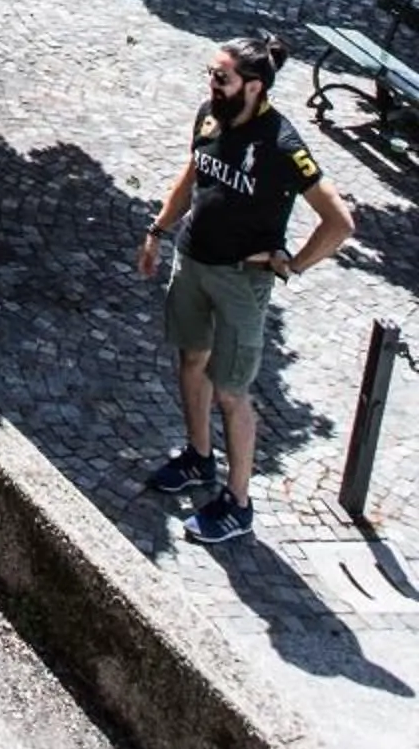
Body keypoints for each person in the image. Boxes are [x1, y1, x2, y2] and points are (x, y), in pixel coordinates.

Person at [136, 33, 355, 545]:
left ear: (253, 87)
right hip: (192, 260)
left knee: (232, 393)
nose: (212, 84)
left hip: (241, 281)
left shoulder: (281, 145)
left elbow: (339, 222)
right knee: (191, 360)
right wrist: (157, 231)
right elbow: (192, 173)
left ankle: (238, 503)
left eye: (222, 77)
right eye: (211, 74)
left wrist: (292, 264)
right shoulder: (209, 116)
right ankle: (198, 457)